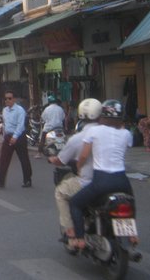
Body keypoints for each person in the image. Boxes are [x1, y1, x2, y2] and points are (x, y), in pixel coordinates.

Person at [68, 100, 135, 250]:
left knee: (75, 203)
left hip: (102, 181)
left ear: (102, 116)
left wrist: (78, 167)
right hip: (122, 181)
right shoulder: (126, 134)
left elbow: (84, 156)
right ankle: (131, 234)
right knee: (129, 202)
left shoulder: (94, 131)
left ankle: (79, 239)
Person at [48, 98, 102, 240]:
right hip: (113, 181)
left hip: (88, 182)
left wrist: (53, 159)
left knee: (60, 192)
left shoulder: (77, 138)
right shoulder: (110, 134)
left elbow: (61, 160)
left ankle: (70, 231)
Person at [0, 91, 32, 189]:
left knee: (23, 159)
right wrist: (5, 136)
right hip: (8, 136)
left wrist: (15, 137)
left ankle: (27, 180)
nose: (7, 100)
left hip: (19, 137)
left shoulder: (19, 110)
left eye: (10, 98)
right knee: (3, 159)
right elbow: (5, 124)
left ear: (14, 99)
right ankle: (0, 182)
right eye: (6, 98)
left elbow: (20, 125)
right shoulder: (5, 110)